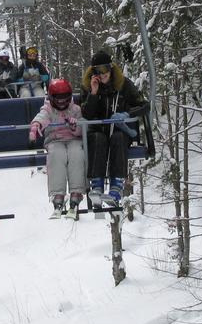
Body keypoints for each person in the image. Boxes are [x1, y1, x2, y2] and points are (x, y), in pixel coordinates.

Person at [81, 50, 148, 208]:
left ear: (111, 68)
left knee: (118, 138)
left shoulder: (123, 84)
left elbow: (143, 105)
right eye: (97, 71)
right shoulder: (88, 87)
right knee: (98, 139)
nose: (101, 74)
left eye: (104, 69)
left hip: (120, 130)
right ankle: (96, 184)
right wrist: (94, 93)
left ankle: (116, 185)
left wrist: (126, 114)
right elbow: (86, 114)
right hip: (98, 131)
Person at [29, 79, 86, 219]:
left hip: (73, 140)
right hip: (55, 140)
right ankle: (58, 194)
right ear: (51, 98)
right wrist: (36, 126)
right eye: (58, 100)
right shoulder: (48, 109)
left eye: (64, 99)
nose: (61, 103)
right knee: (56, 155)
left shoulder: (75, 109)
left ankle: (76, 192)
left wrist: (75, 126)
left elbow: (82, 129)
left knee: (77, 154)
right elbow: (41, 117)